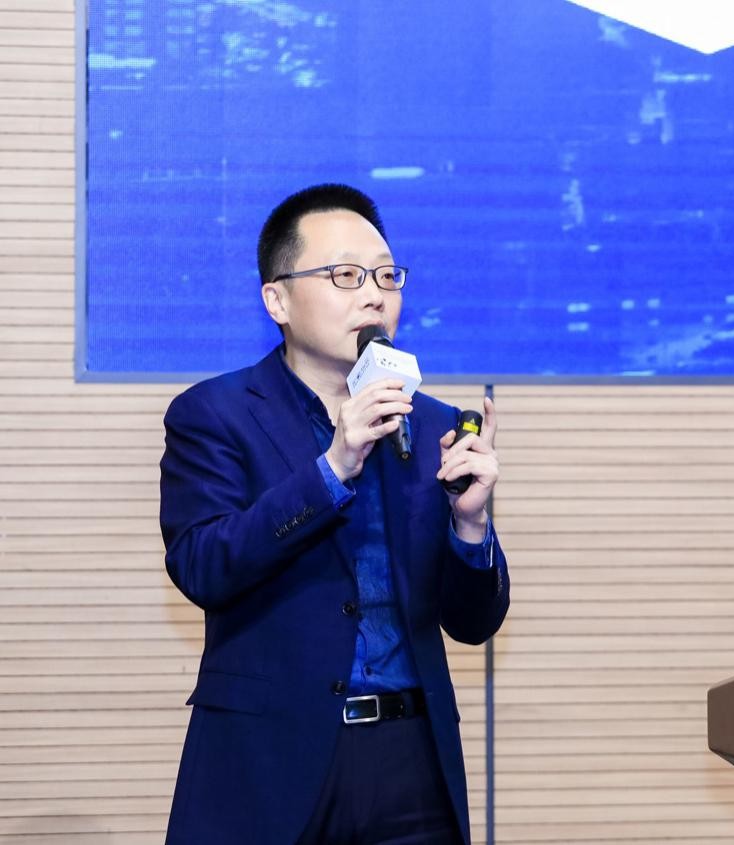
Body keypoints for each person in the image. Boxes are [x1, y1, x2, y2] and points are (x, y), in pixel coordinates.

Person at [159, 183, 509, 845]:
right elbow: (204, 566)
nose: (374, 295)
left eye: (386, 275)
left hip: (412, 761)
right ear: (277, 300)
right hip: (269, 762)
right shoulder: (213, 415)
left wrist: (470, 526)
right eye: (346, 275)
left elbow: (472, 624)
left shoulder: (430, 421)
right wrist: (333, 466)